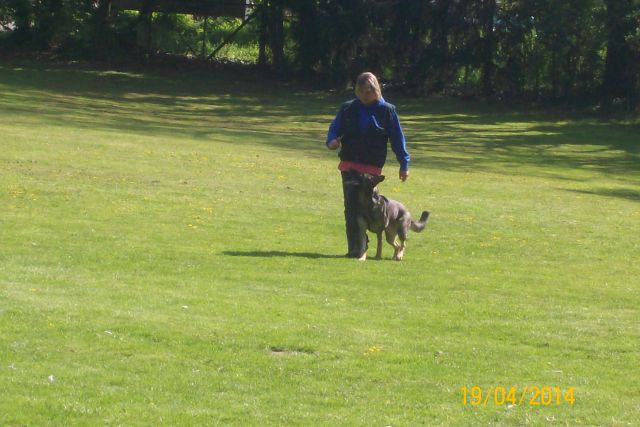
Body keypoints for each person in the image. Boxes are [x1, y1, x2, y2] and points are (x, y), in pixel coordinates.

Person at [326, 72, 410, 258]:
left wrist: (404, 163)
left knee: (371, 206)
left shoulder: (387, 111)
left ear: (376, 90)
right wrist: (331, 141)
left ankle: (372, 241)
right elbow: (334, 129)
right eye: (361, 91)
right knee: (351, 207)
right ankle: (356, 249)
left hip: (371, 168)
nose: (365, 95)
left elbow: (397, 139)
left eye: (368, 92)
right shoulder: (348, 108)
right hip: (349, 165)